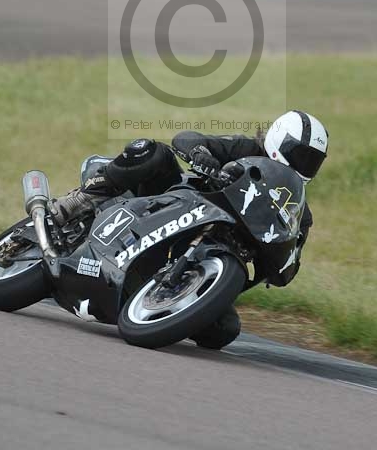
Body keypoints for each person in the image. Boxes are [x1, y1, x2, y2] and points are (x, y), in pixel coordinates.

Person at [50, 110, 329, 349]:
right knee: (154, 152)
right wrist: (200, 154)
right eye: (301, 155)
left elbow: (289, 265)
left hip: (212, 250)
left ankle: (160, 302)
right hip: (169, 202)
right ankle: (79, 200)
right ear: (279, 139)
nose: (306, 165)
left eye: (313, 160)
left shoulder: (298, 208)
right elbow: (186, 139)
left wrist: (286, 256)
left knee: (224, 330)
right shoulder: (245, 150)